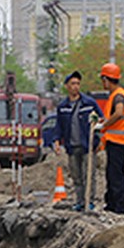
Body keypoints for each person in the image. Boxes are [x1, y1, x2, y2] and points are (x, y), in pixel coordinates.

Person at [52, 71, 103, 211]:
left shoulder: (89, 103)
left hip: (88, 145)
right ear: (67, 86)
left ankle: (89, 201)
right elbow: (59, 126)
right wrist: (56, 141)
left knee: (89, 175)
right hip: (72, 146)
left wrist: (99, 139)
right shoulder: (63, 107)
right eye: (73, 84)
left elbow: (101, 120)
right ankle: (80, 201)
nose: (76, 86)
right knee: (76, 176)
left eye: (78, 84)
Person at [97, 62, 124, 214]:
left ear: (106, 79)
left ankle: (119, 207)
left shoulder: (118, 95)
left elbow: (118, 113)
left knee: (116, 174)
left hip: (119, 142)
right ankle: (111, 204)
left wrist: (104, 125)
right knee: (112, 173)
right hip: (117, 141)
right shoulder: (117, 94)